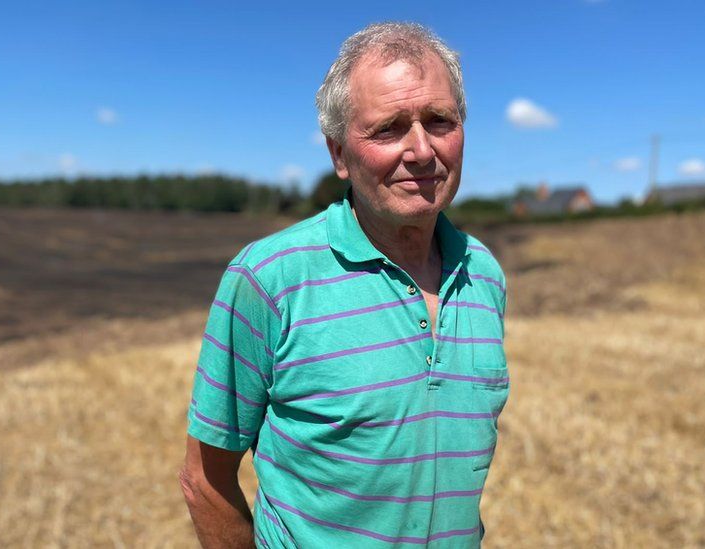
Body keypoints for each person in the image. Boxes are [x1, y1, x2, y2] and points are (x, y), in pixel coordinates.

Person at [179, 21, 509, 548]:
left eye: (440, 120)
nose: (422, 149)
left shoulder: (484, 274)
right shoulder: (269, 279)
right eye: (389, 128)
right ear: (338, 154)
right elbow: (205, 479)